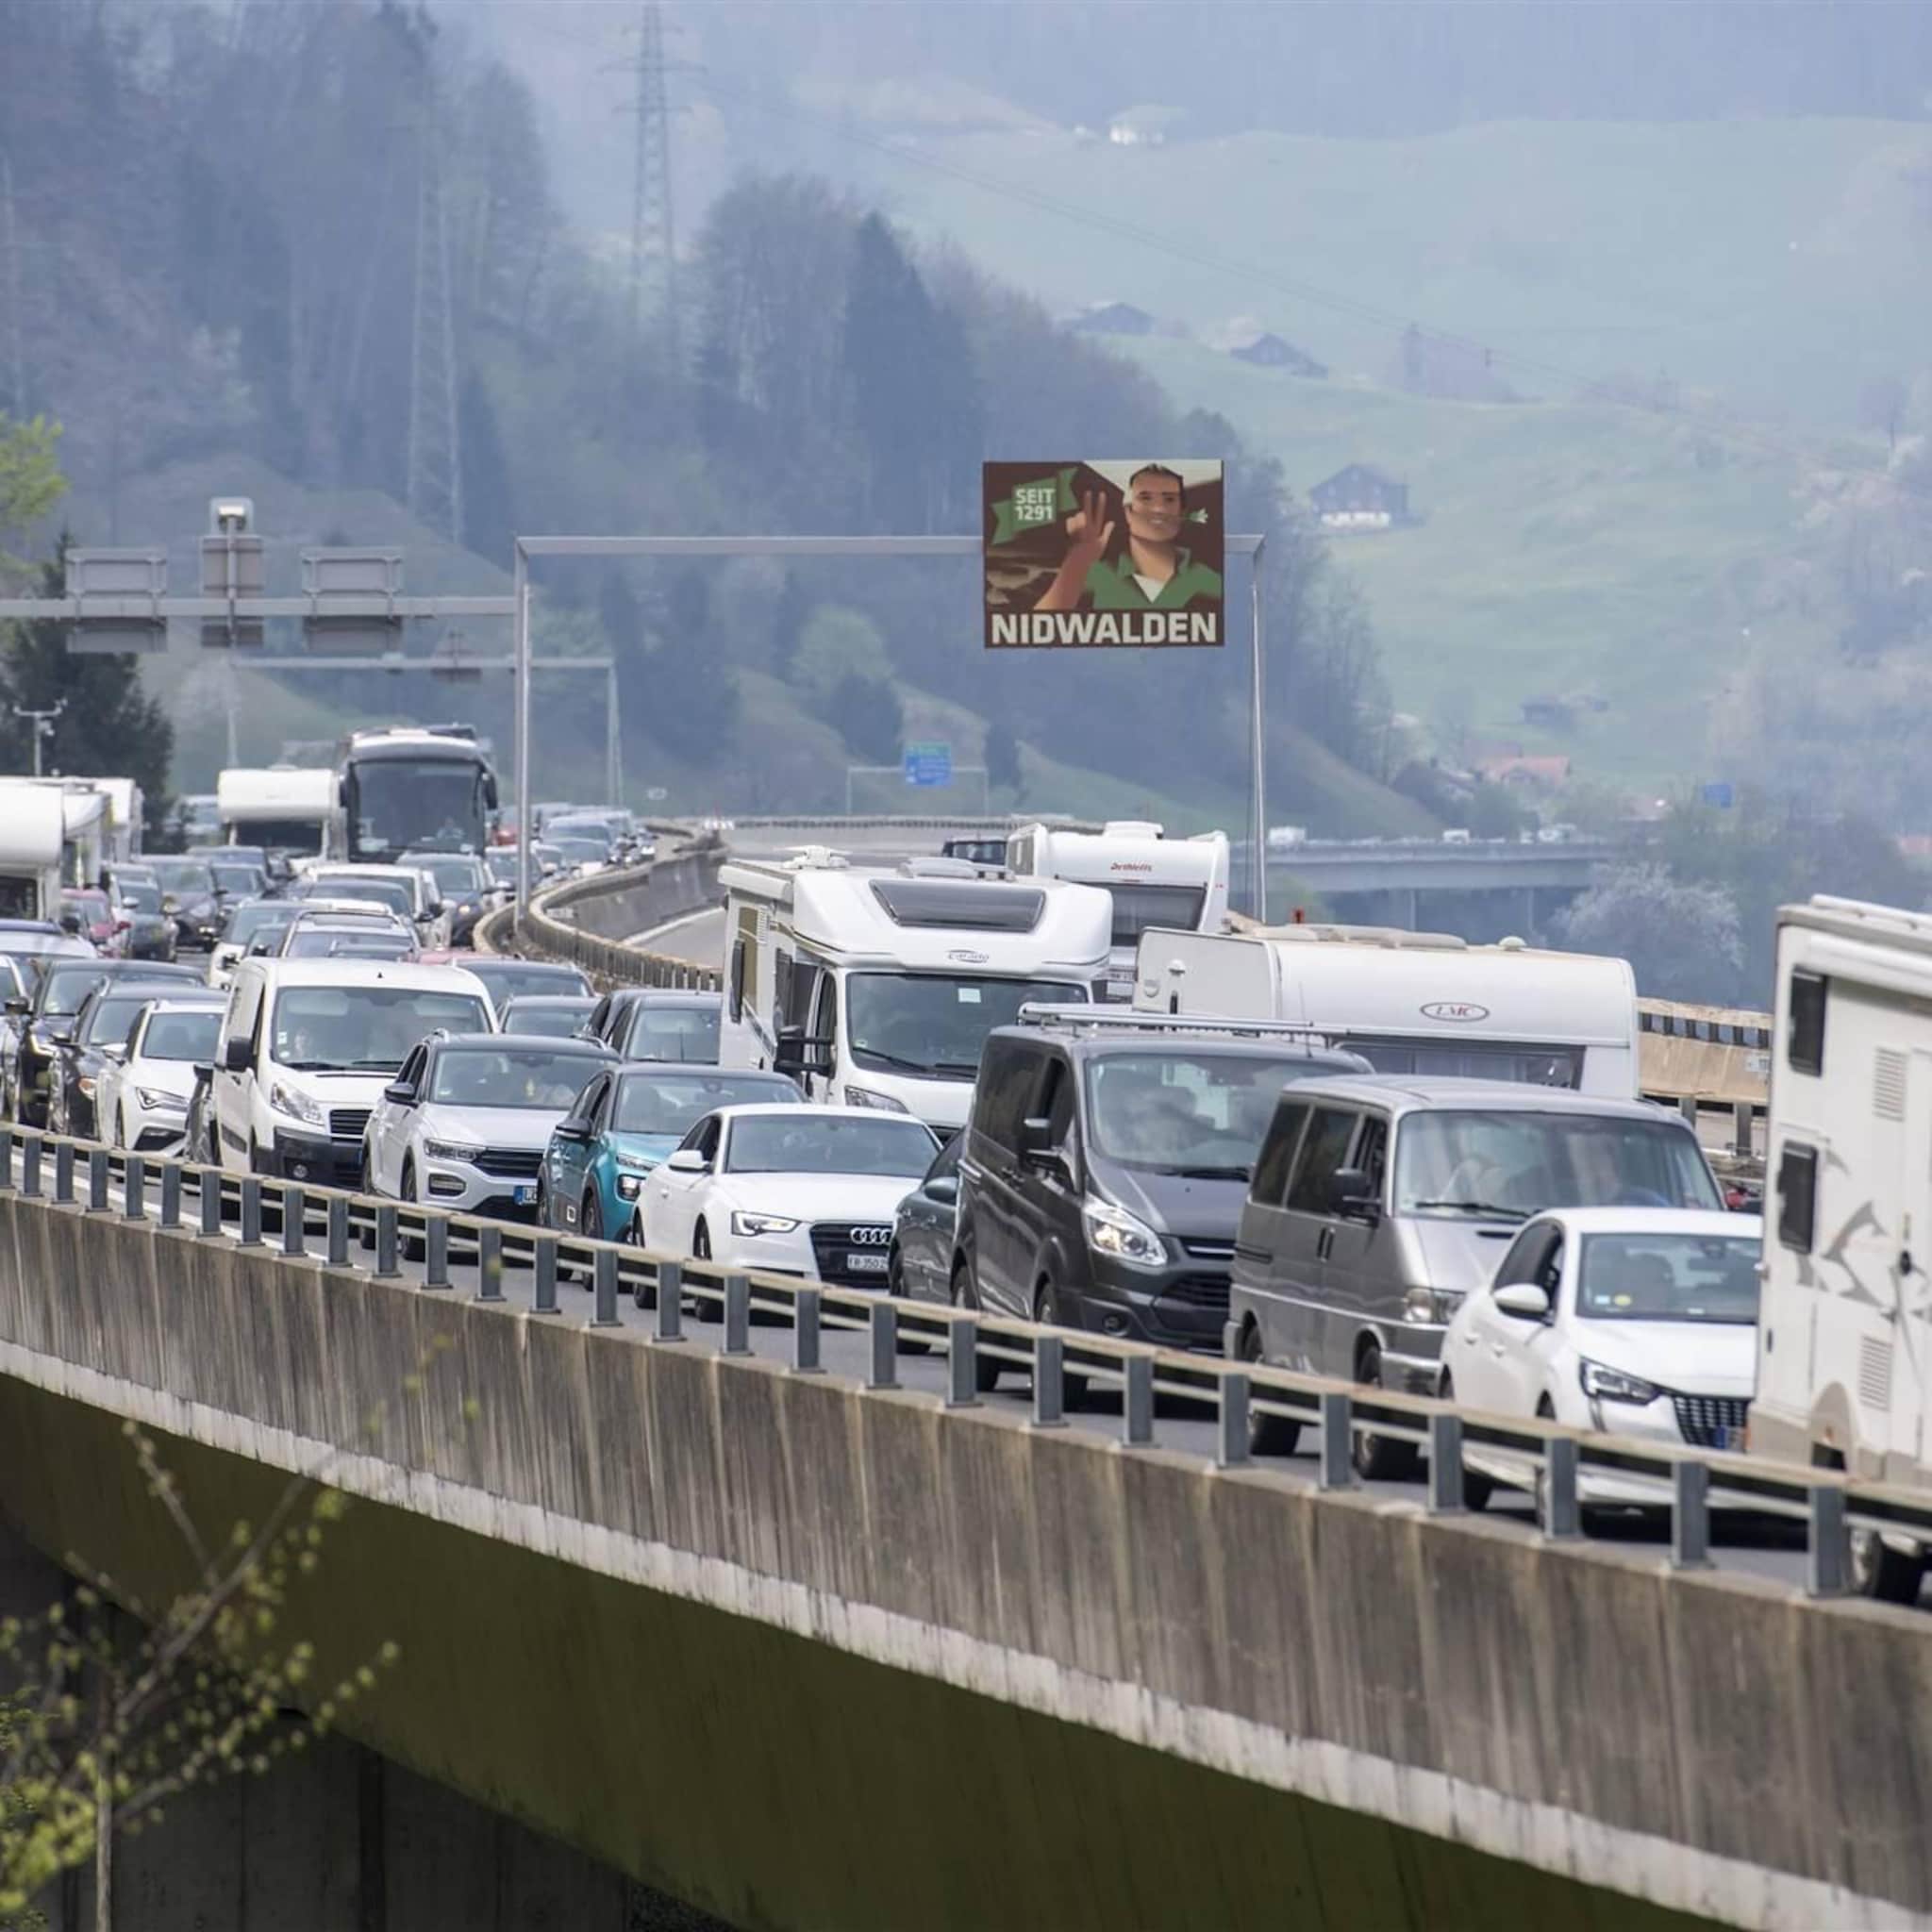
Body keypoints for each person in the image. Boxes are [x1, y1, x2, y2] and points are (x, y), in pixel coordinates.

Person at [1033, 465, 1224, 614]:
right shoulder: (1088, 577)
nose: (1158, 509)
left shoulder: (1211, 581)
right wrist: (1077, 563)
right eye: (1146, 498)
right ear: (1128, 512)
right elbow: (1036, 630)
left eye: (1169, 500)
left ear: (1181, 513)